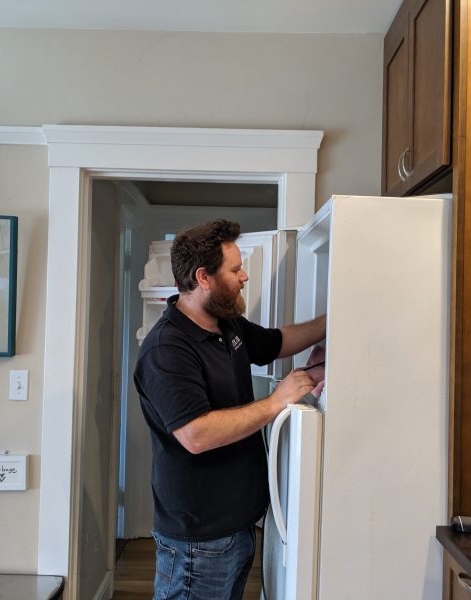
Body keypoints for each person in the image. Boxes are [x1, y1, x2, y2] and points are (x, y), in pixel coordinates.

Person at [134, 219, 325, 600]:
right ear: (204, 277)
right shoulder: (167, 350)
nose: (245, 276)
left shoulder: (227, 324)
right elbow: (196, 434)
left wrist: (332, 323)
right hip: (198, 541)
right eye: (235, 269)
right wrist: (276, 402)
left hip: (235, 528)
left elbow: (277, 342)